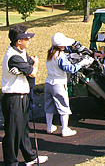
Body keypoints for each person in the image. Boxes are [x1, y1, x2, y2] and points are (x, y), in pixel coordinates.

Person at [1, 24, 48, 165]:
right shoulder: (13, 56)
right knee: (12, 132)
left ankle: (30, 157)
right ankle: (11, 162)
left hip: (23, 95)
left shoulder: (21, 53)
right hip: (13, 97)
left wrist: (30, 65)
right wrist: (36, 64)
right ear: (18, 41)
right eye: (26, 38)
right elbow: (32, 72)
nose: (29, 40)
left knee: (23, 129)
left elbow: (28, 66)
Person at [44, 32, 94, 137]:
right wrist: (82, 63)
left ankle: (49, 127)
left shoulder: (50, 52)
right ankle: (65, 129)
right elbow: (70, 69)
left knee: (49, 105)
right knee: (63, 106)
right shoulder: (61, 56)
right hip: (58, 84)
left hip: (48, 82)